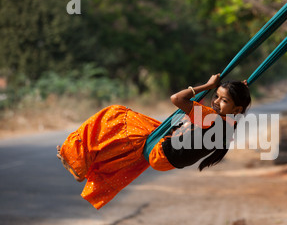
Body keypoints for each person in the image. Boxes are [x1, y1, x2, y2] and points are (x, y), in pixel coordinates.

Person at [56, 74, 251, 209]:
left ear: (236, 109)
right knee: (120, 144)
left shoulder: (214, 118)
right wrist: (240, 90)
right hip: (166, 157)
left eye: (223, 100)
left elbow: (177, 98)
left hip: (161, 149)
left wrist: (208, 86)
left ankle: (76, 157)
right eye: (216, 96)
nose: (216, 101)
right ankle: (86, 167)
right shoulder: (229, 124)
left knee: (115, 114)